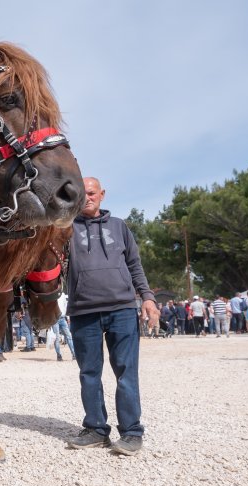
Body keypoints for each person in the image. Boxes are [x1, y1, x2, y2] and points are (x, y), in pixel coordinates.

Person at [66, 177, 159, 456]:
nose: (87, 198)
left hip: (122, 308)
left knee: (126, 372)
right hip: (83, 310)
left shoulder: (119, 226)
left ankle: (131, 432)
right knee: (89, 373)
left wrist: (148, 297)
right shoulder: (65, 228)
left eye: (91, 193)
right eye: (82, 194)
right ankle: (95, 429)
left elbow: (134, 264)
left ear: (102, 195)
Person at [50, 293, 75, 361]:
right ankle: (59, 355)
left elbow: (65, 306)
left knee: (69, 336)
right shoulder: (51, 295)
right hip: (54, 318)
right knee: (57, 338)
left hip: (62, 318)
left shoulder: (63, 295)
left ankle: (74, 354)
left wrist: (68, 317)